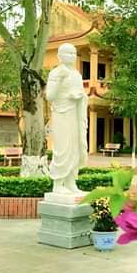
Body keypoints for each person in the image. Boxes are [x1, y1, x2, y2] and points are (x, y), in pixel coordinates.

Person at [45, 43, 88, 194]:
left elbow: (82, 94)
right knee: (62, 149)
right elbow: (50, 96)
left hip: (74, 115)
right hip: (61, 113)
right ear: (59, 56)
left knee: (75, 149)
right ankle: (57, 184)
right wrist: (59, 79)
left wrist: (79, 96)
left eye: (73, 53)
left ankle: (70, 183)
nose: (71, 56)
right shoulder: (55, 73)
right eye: (68, 53)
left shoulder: (77, 74)